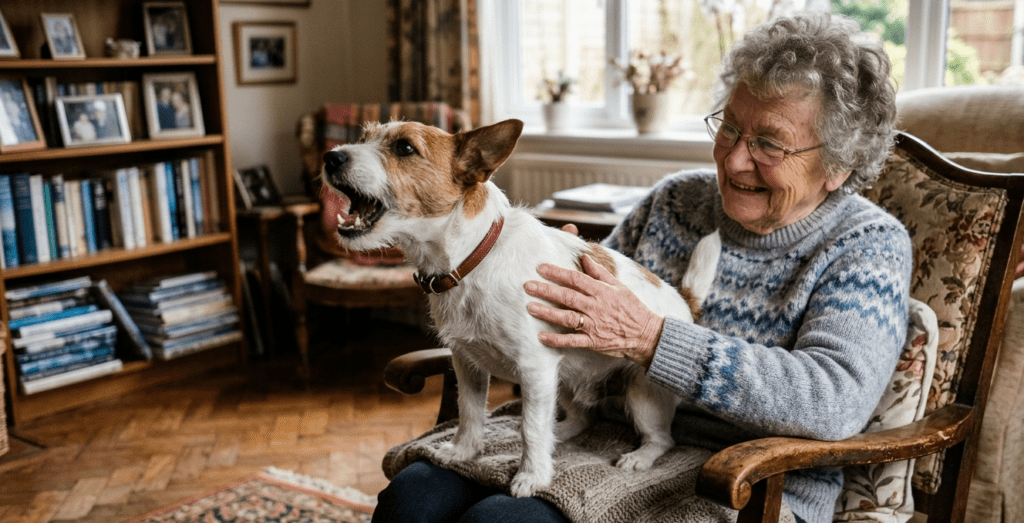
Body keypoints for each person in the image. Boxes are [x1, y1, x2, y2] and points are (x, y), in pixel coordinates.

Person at [374, 11, 911, 523]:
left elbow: (832, 403)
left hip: (745, 474)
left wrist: (654, 339)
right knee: (411, 500)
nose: (733, 158)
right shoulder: (675, 200)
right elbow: (577, 312)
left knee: (501, 522)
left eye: (768, 143)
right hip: (592, 429)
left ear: (837, 167)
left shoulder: (868, 247)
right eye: (729, 128)